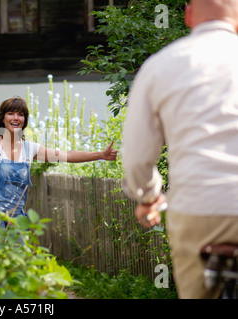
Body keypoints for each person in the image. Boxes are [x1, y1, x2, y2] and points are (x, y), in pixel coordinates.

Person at [122, 0, 238, 299]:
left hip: (198, 208)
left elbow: (137, 156)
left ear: (187, 16)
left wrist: (147, 197)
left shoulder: (161, 65)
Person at [0, 96, 117, 230]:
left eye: (21, 114)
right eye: (11, 113)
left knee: (21, 256)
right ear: (2, 118)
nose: (16, 118)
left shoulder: (30, 149)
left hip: (16, 218)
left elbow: (67, 155)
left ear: (24, 120)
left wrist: (100, 155)